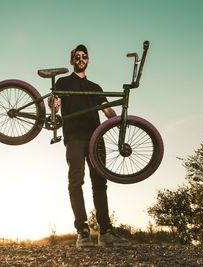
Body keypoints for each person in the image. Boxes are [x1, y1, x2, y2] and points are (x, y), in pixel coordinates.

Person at [49, 44, 131, 247]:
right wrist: (54, 104)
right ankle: (83, 232)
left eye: (84, 56)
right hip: (74, 137)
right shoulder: (63, 81)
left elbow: (107, 110)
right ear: (71, 61)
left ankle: (106, 233)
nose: (80, 59)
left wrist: (121, 121)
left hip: (96, 137)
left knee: (100, 184)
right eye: (76, 56)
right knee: (76, 181)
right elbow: (55, 104)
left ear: (88, 60)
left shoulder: (95, 87)